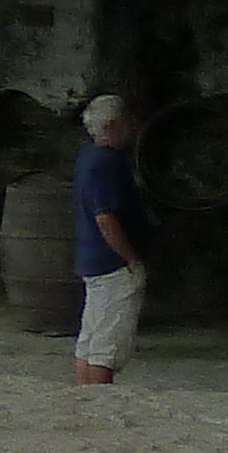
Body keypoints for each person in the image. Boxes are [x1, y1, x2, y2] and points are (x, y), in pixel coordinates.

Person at [72, 93, 148, 385]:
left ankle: (82, 401)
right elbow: (106, 218)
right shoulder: (107, 163)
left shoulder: (87, 156)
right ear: (114, 125)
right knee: (107, 345)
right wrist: (131, 258)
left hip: (92, 259)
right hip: (112, 264)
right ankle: (100, 407)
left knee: (90, 338)